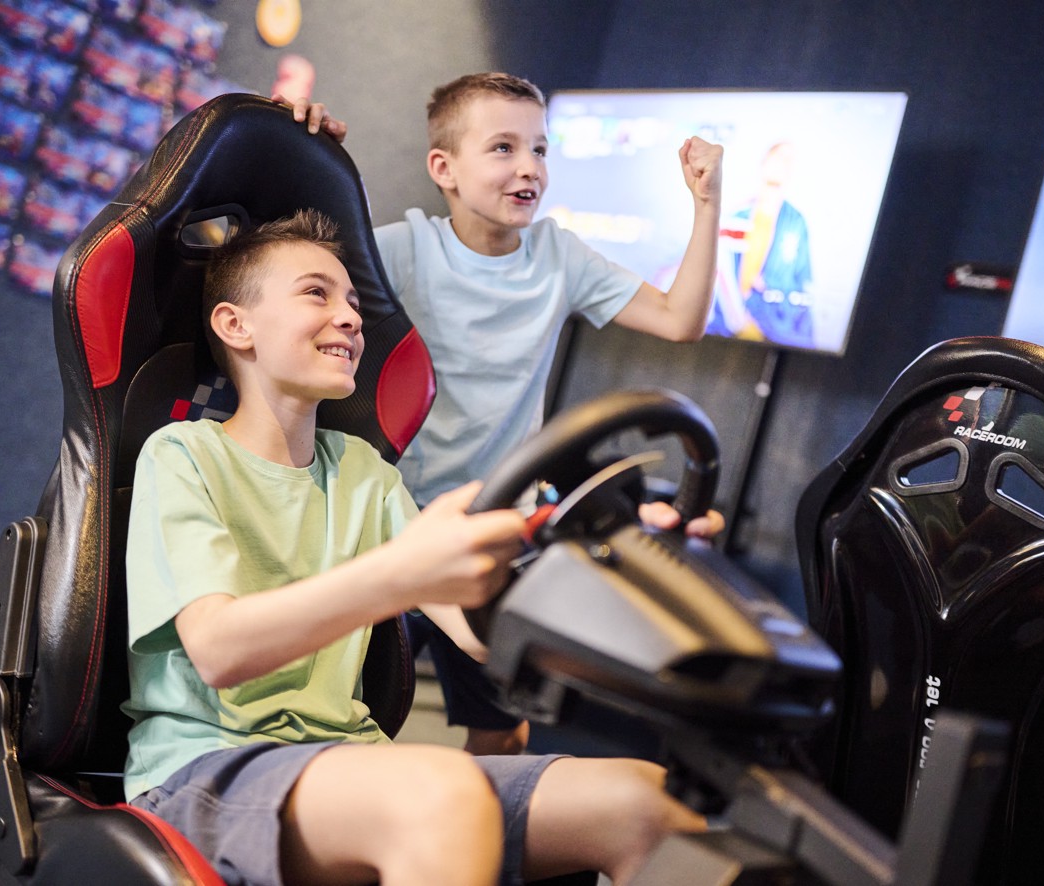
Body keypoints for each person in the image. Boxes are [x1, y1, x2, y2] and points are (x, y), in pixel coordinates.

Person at [122, 209, 706, 886]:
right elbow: (220, 650)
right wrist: (400, 574)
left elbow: (480, 636)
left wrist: (623, 565)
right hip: (207, 771)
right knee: (442, 794)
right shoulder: (184, 453)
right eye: (317, 293)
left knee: (649, 803)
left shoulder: (365, 473)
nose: (350, 317)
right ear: (235, 325)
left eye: (352, 301)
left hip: (350, 759)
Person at [280, 73, 726, 756]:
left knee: (501, 732)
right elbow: (287, 277)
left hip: (495, 527)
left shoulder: (559, 256)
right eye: (503, 148)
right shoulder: (401, 250)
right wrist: (298, 150)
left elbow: (680, 319)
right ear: (444, 169)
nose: (529, 168)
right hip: (395, 525)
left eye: (540, 151)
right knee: (344, 722)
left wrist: (706, 202)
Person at [709, 141, 815, 349]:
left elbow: (802, 282)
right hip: (728, 327)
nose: (782, 164)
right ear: (764, 162)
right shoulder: (735, 217)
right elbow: (717, 274)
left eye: (788, 160)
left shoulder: (796, 222)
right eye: (778, 157)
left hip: (775, 329)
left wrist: (770, 287)